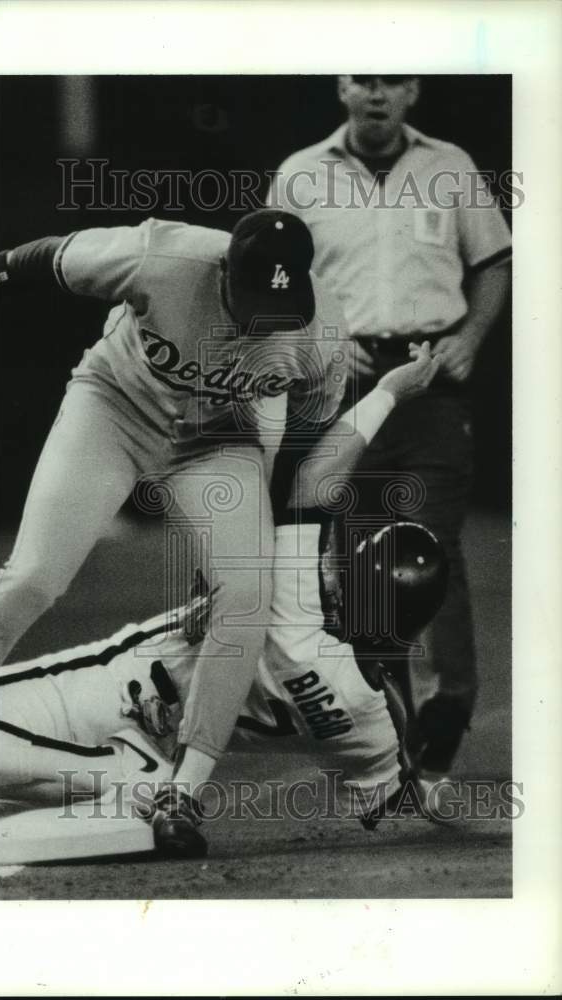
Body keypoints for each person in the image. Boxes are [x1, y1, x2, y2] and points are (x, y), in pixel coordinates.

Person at [0, 209, 351, 858]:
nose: (269, 315)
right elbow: (40, 257)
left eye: (281, 302)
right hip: (115, 406)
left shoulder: (319, 332)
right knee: (34, 576)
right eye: (258, 298)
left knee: (246, 597)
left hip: (214, 441)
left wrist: (258, 542)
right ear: (224, 273)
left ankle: (180, 791)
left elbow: (304, 442)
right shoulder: (164, 257)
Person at [0, 343, 445, 870]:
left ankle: (139, 783)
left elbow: (315, 478)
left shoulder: (301, 607)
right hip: (152, 745)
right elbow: (392, 798)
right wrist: (430, 776)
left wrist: (392, 390)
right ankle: (139, 806)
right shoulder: (372, 718)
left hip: (105, 694)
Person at [268, 75, 511, 774]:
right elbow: (272, 273)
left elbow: (493, 261)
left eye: (393, 80)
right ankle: (392, 731)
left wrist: (467, 339)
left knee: (428, 542)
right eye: (363, 79)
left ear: (413, 90)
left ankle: (447, 707)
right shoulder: (301, 174)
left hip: (428, 380)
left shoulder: (448, 165)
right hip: (339, 385)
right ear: (341, 87)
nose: (377, 93)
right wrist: (313, 334)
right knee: (359, 561)